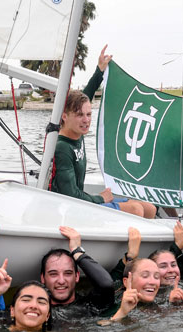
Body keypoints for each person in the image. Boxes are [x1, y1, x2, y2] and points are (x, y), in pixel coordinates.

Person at [52, 45, 156, 218]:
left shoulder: (77, 131)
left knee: (150, 208)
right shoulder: (62, 147)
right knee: (137, 210)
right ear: (64, 116)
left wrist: (100, 70)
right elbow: (70, 196)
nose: (86, 120)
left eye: (88, 114)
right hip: (72, 209)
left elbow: (86, 95)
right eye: (80, 115)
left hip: (83, 201)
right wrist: (101, 198)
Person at [39, 226, 114, 313]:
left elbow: (106, 284)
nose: (61, 281)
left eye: (68, 273)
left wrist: (77, 251)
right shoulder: (37, 309)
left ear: (77, 276)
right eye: (53, 274)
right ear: (43, 278)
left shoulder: (90, 305)